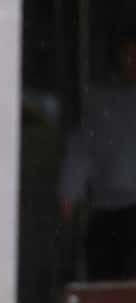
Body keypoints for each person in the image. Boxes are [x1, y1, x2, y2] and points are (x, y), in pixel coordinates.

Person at [60, 31, 136, 282]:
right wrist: (70, 192)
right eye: (128, 56)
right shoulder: (102, 101)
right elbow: (82, 148)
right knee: (107, 285)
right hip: (108, 210)